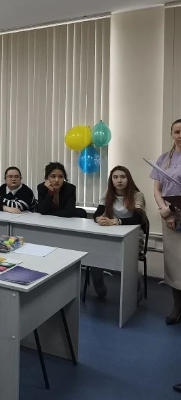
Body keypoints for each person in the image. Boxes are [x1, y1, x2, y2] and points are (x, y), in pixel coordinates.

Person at [91, 166, 146, 299]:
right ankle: (98, 283)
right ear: (111, 180)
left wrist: (115, 221)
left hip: (133, 237)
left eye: (123, 177)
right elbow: (97, 213)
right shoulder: (108, 193)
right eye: (115, 177)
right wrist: (99, 219)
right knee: (93, 252)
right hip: (112, 235)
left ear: (128, 179)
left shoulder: (137, 195)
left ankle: (136, 287)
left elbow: (137, 219)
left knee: (126, 258)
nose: (119, 180)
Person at [152, 118, 181, 327]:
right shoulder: (164, 159)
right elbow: (157, 190)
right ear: (172, 134)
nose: (180, 135)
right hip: (170, 217)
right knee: (174, 264)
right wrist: (166, 211)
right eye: (177, 132)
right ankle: (177, 306)